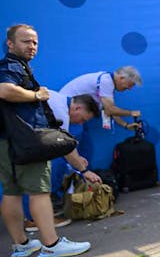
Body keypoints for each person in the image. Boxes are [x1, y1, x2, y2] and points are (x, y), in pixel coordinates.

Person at [1, 24, 91, 257]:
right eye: (25, 41)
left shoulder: (13, 66)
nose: (32, 46)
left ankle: (21, 245)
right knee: (40, 192)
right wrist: (36, 95)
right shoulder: (12, 66)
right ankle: (51, 245)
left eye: (35, 42)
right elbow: (5, 90)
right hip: (24, 140)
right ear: (10, 44)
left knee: (11, 192)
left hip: (6, 141)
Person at [23, 93, 102, 232]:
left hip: (18, 135)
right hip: (19, 139)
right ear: (77, 108)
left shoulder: (58, 99)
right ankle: (33, 220)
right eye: (82, 119)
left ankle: (35, 216)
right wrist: (84, 170)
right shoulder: (60, 112)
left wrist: (77, 159)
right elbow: (64, 146)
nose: (80, 123)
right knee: (37, 178)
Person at [59, 66, 143, 130]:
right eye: (130, 84)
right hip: (68, 112)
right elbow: (110, 110)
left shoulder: (106, 81)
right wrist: (131, 113)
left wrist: (126, 125)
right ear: (122, 78)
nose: (130, 88)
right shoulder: (106, 82)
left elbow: (108, 110)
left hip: (71, 111)